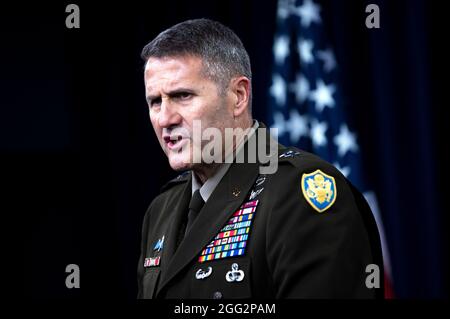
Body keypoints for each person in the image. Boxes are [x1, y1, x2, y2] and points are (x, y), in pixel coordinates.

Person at [137, 18, 383, 299]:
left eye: (182, 95)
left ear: (239, 96)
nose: (165, 118)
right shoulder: (160, 210)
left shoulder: (300, 194)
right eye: (155, 101)